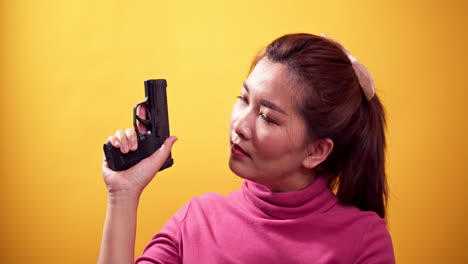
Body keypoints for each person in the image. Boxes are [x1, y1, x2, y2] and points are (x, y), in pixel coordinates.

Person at [98, 33, 395, 264]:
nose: (240, 124)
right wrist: (123, 195)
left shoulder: (364, 240)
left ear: (316, 150)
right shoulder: (197, 220)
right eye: (242, 98)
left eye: (267, 116)